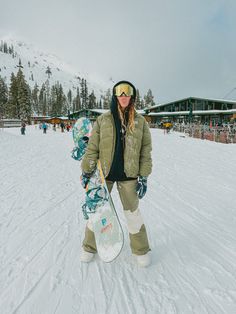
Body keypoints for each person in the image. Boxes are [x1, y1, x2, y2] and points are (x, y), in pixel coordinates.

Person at [80, 80, 152, 267]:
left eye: (127, 92)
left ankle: (140, 249)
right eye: (120, 92)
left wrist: (143, 176)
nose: (123, 96)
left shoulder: (140, 121)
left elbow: (145, 151)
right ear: (115, 96)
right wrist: (87, 171)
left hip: (129, 177)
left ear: (132, 96)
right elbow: (92, 148)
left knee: (133, 214)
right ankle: (89, 246)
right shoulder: (103, 120)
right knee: (97, 212)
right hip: (105, 176)